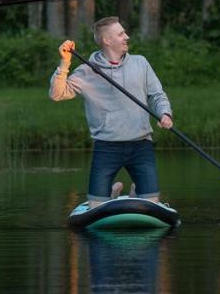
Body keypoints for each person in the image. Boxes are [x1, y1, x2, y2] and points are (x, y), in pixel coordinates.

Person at [52, 17, 174, 206]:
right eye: (121, 34)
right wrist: (65, 63)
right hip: (107, 147)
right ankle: (111, 194)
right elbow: (57, 94)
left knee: (151, 204)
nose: (127, 37)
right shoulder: (87, 71)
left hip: (141, 145)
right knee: (95, 207)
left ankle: (135, 194)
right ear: (107, 40)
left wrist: (164, 113)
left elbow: (157, 95)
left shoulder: (140, 63)